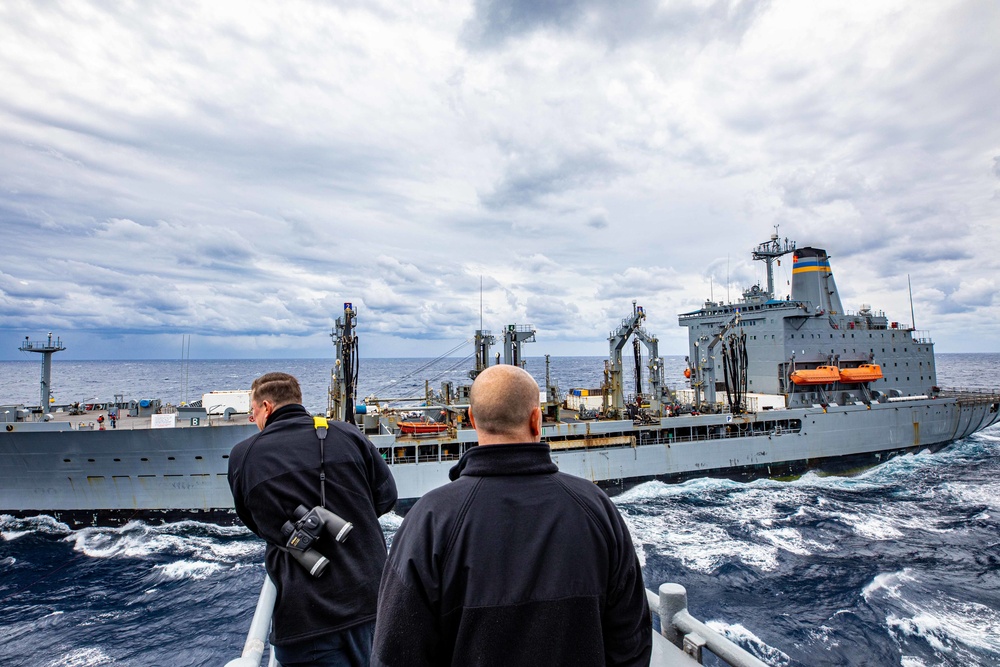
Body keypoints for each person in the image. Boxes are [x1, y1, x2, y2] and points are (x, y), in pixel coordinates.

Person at [371, 365, 651, 666]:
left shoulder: (428, 518)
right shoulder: (597, 507)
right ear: (536, 420)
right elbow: (632, 641)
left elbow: (395, 653)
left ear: (471, 420)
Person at [228, 372, 397, 667]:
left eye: (252, 411)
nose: (252, 418)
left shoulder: (244, 455)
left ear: (266, 407)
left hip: (306, 619)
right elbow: (386, 497)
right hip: (373, 604)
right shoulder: (347, 434)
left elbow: (254, 522)